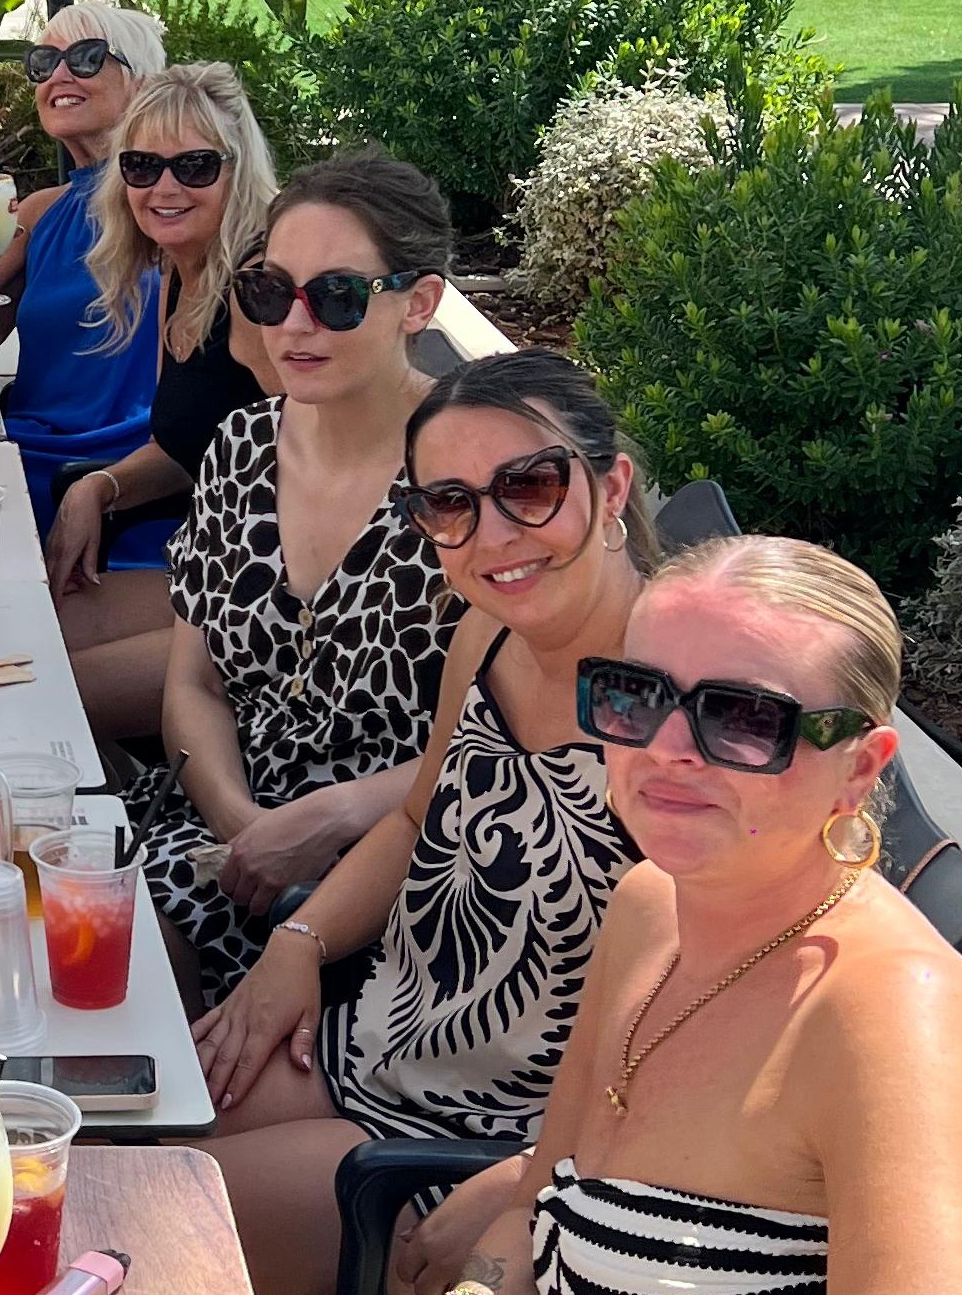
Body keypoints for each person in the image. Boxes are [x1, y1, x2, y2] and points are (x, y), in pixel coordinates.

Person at [435, 536, 962, 1295]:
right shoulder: (649, 908)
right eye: (635, 693)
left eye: (742, 717)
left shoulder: (899, 1029)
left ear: (859, 766)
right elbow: (542, 1198)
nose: (668, 748)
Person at [182, 349, 659, 1295]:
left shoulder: (680, 717)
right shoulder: (484, 636)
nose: (491, 534)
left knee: (130, 1216)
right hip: (372, 1048)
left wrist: (531, 1181)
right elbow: (416, 814)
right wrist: (300, 943)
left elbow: (723, 1017)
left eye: (529, 484)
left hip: (478, 1147)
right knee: (92, 1135)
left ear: (611, 488)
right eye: (449, 503)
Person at [131, 153, 465, 1007]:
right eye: (273, 292)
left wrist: (330, 819)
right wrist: (245, 827)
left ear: (418, 304)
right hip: (218, 831)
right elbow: (193, 684)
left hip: (397, 870)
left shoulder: (477, 481)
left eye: (340, 295)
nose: (296, 323)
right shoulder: (241, 447)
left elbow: (509, 739)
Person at [51, 63, 279, 744]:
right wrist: (103, 483)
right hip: (206, 580)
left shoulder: (260, 296)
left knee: (40, 693)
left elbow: (323, 465)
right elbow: (189, 446)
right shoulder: (181, 277)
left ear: (237, 172)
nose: (165, 187)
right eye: (144, 166)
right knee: (17, 634)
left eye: (196, 166)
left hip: (268, 612)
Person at [0, 2, 174, 568]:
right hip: (22, 452)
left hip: (122, 470)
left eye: (86, 58)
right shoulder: (41, 211)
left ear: (144, 84)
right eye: (43, 62)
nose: (59, 76)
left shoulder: (171, 206)